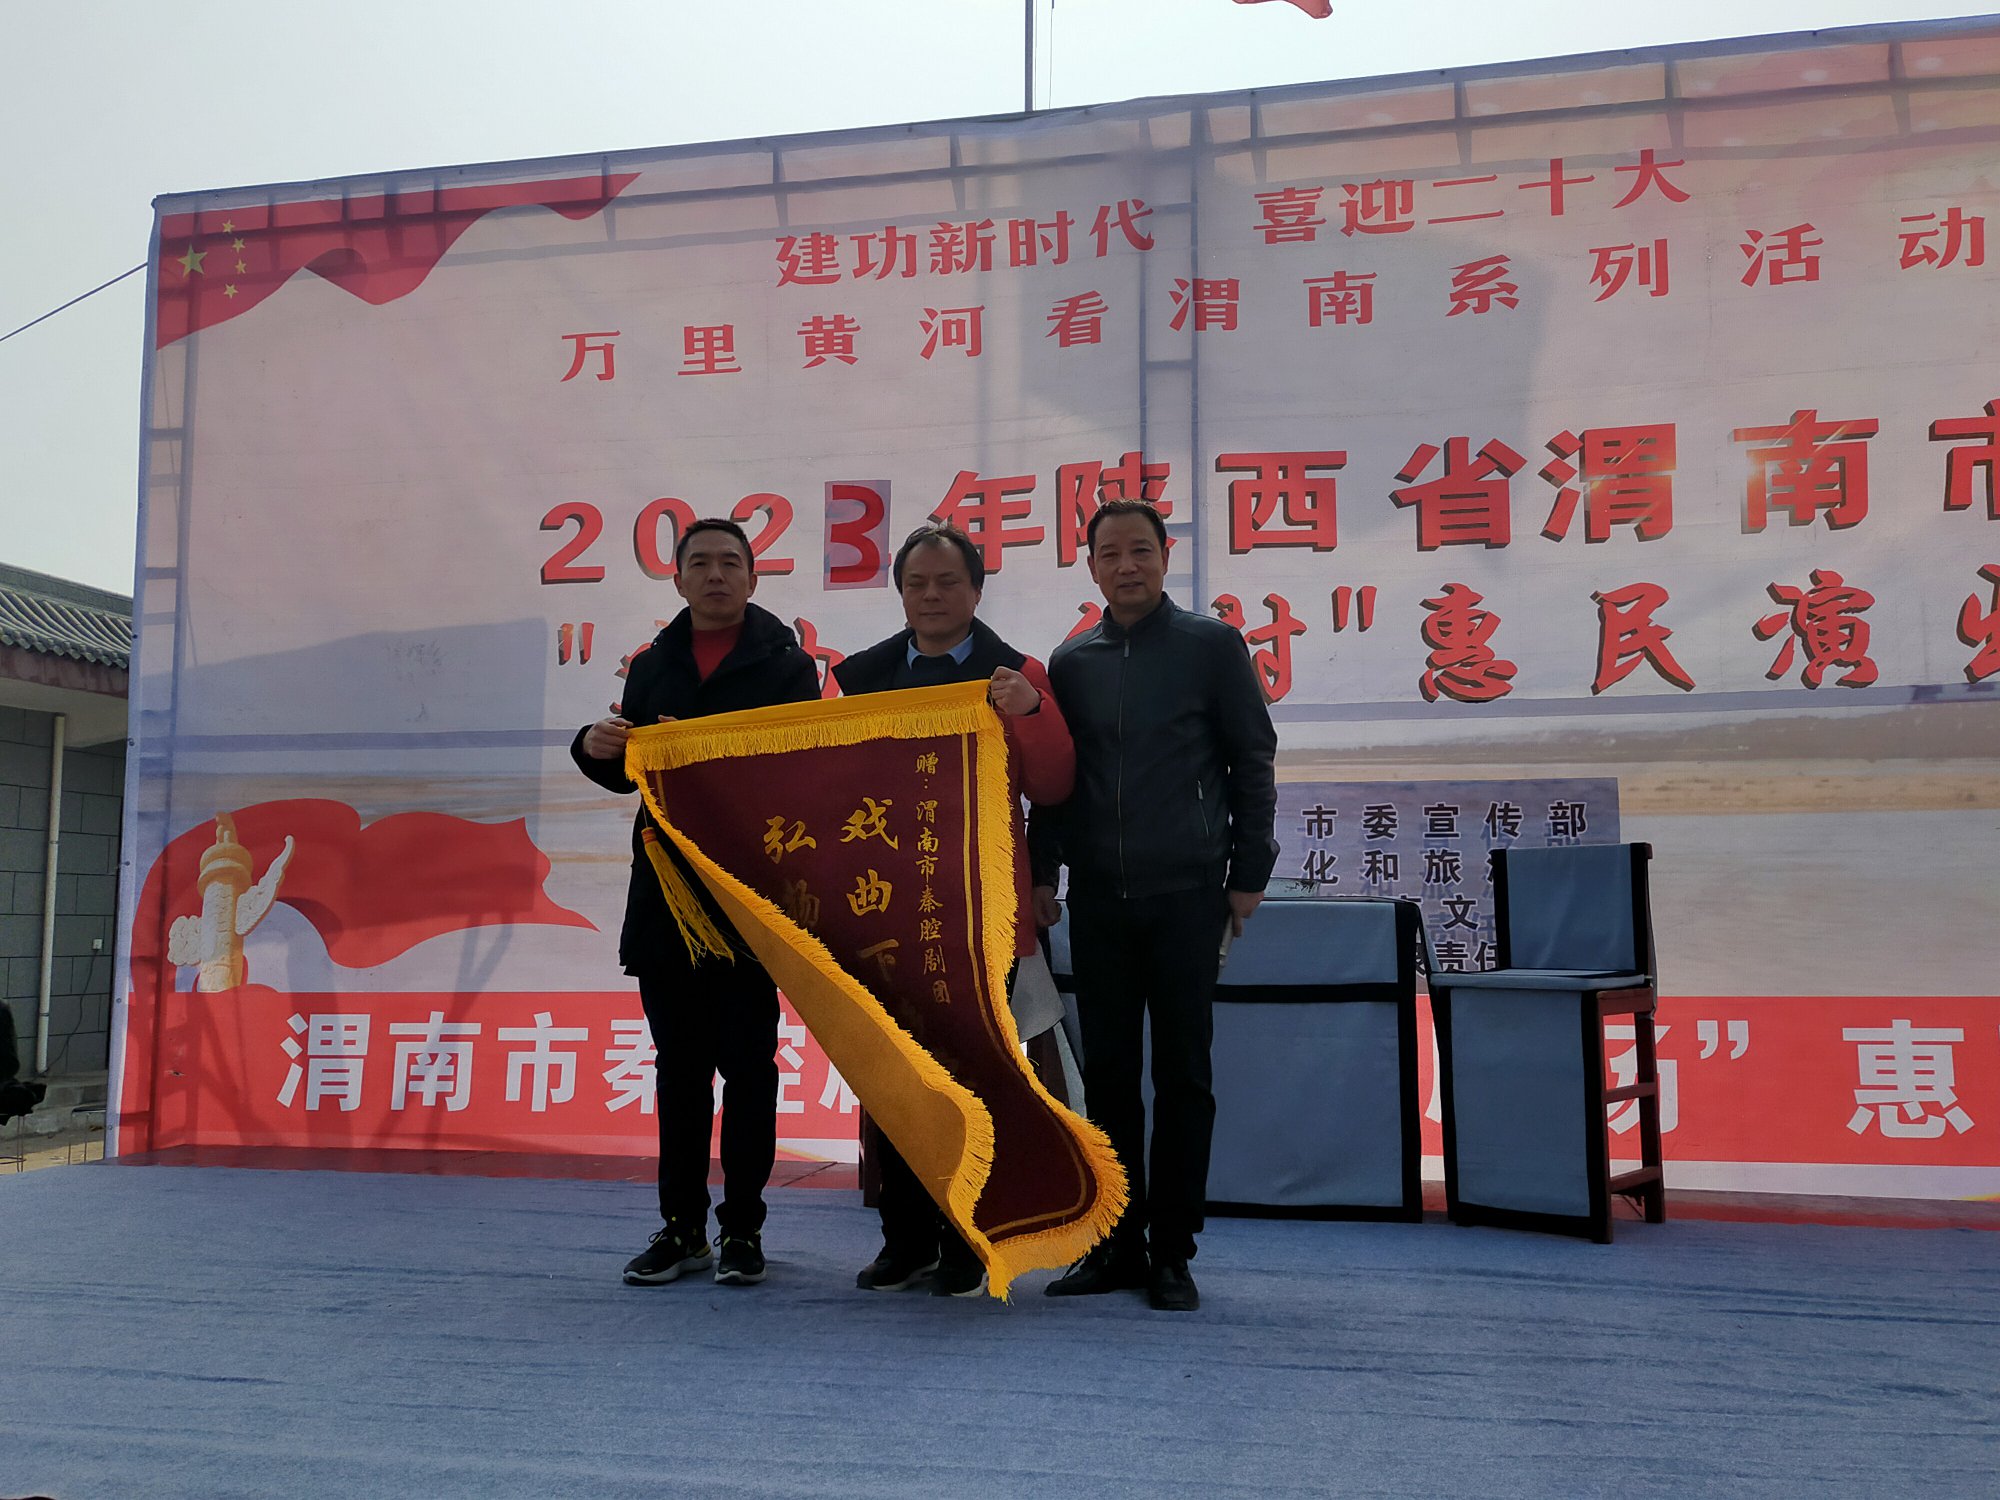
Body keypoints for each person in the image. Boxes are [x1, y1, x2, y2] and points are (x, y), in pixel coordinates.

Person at [1032, 499, 1277, 1312]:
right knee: (1106, 1079)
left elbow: (1252, 759)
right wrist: (1044, 873)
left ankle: (1172, 1252)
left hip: (1189, 896)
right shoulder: (1071, 662)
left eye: (1141, 550)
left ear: (1166, 557)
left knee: (1183, 1077)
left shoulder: (1211, 645)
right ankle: (1114, 1245)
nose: (1126, 565)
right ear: (1091, 566)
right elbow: (1056, 784)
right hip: (1101, 900)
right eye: (1110, 553)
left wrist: (1249, 871)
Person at [571, 517, 820, 1289]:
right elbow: (633, 770)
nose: (716, 575)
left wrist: (701, 744)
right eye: (701, 563)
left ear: (753, 577)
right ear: (676, 578)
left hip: (744, 891)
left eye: (730, 563)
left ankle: (742, 1228)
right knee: (679, 1070)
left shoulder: (787, 665)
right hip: (666, 891)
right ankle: (681, 1227)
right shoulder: (654, 663)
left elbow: (798, 772)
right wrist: (593, 746)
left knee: (748, 1069)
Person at [831, 521, 1075, 1297]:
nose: (931, 596)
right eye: (917, 583)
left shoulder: (1017, 674)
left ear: (976, 590)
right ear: (901, 593)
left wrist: (1030, 711)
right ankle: (904, 1239)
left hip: (982, 914)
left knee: (979, 1077)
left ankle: (969, 1238)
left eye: (947, 582)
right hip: (887, 909)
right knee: (897, 1079)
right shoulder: (860, 679)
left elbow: (1055, 786)